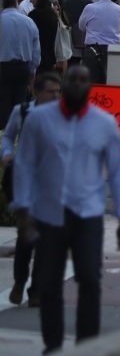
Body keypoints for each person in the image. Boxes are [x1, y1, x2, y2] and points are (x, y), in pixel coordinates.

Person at [12, 65, 120, 355]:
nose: (77, 85)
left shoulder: (104, 123)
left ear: (91, 87)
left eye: (83, 80)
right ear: (64, 85)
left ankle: (86, 344)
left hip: (87, 212)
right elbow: (25, 164)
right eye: (72, 80)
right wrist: (22, 207)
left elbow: (116, 171)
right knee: (49, 283)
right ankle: (53, 345)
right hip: (49, 213)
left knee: (90, 278)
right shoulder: (40, 120)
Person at [1, 71, 62, 306]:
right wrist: (7, 154)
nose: (55, 96)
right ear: (37, 92)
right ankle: (19, 281)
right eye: (50, 92)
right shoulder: (23, 112)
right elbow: (8, 137)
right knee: (26, 235)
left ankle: (36, 289)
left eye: (58, 92)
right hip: (24, 180)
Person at [77, 0, 120, 84]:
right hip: (113, 48)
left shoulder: (90, 8)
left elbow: (81, 26)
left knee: (92, 80)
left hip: (94, 47)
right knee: (110, 80)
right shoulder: (119, 9)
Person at [27, 0, 62, 75]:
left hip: (36, 57)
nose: (31, 1)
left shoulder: (33, 15)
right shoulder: (53, 15)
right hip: (50, 58)